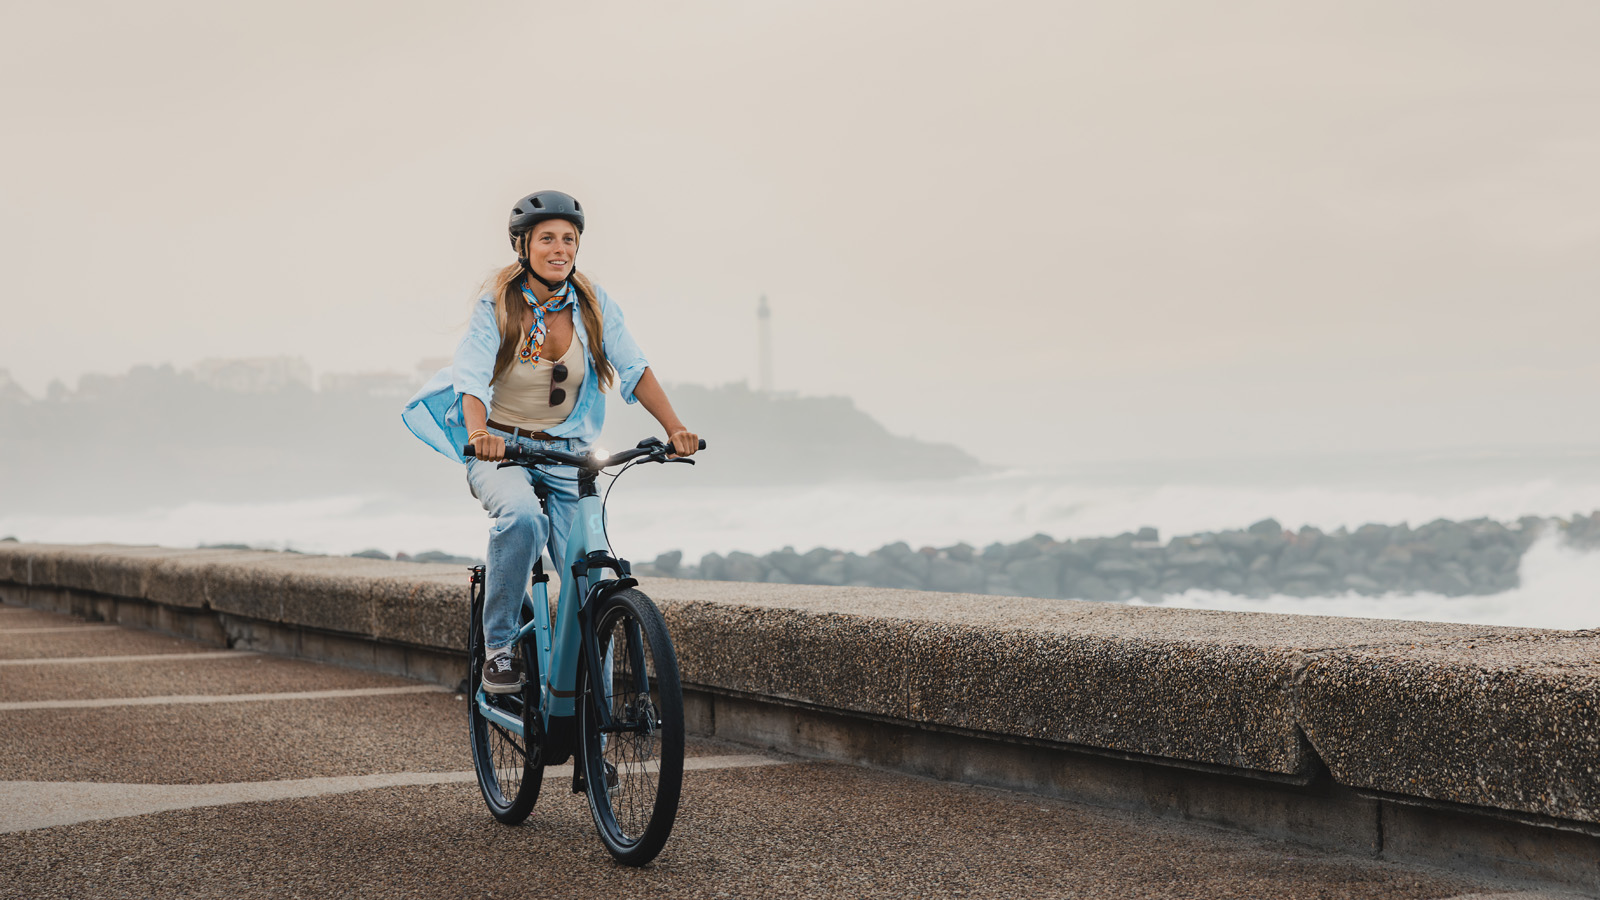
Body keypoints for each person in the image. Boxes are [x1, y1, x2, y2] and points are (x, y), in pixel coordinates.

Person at [402, 190, 698, 693]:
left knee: (592, 586)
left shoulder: (593, 305)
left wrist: (674, 428)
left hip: (568, 454)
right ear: (523, 246)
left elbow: (635, 367)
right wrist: (479, 434)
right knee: (520, 518)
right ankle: (498, 649)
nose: (559, 247)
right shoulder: (498, 304)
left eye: (569, 238)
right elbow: (471, 379)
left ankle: (595, 738)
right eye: (547, 239)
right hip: (502, 448)